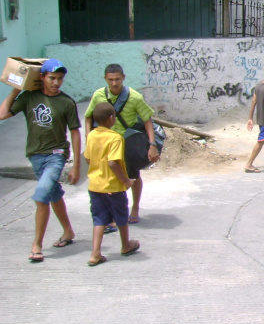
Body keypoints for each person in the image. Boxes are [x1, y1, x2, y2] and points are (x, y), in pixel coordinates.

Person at [0, 58, 80, 263]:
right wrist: (17, 89)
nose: (56, 83)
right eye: (52, 78)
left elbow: (75, 133)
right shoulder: (29, 98)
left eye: (60, 79)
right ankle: (69, 231)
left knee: (42, 196)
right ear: (42, 77)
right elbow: (2, 114)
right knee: (53, 194)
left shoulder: (66, 102)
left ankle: (37, 243)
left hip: (56, 155)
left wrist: (76, 166)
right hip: (35, 156)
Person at [84, 64, 159, 228]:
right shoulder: (98, 95)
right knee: (107, 179)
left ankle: (135, 207)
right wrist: (89, 141)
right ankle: (111, 215)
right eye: (110, 80)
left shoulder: (134, 97)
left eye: (117, 79)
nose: (114, 83)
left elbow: (147, 120)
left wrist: (152, 145)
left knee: (134, 175)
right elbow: (89, 117)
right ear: (105, 79)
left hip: (127, 143)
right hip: (104, 145)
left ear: (123, 77)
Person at [84, 102, 140, 266]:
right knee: (121, 216)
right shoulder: (115, 138)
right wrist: (126, 180)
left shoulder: (92, 135)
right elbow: (112, 163)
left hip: (95, 186)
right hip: (113, 187)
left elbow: (88, 158)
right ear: (111, 118)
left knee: (99, 218)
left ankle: (95, 253)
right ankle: (125, 245)